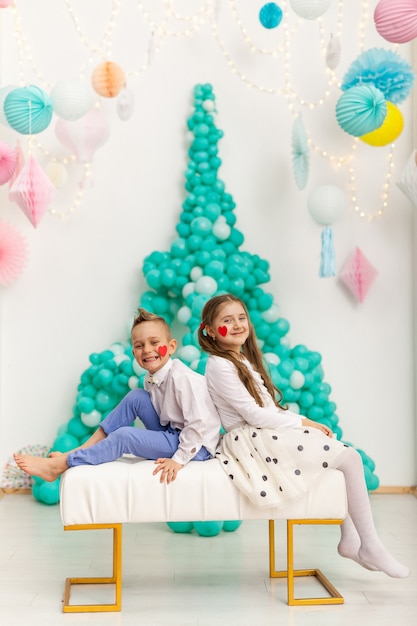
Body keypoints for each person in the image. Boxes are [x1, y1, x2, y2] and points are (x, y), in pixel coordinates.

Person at [198, 293, 409, 579]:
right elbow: (254, 415)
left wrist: (302, 423)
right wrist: (303, 422)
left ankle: (351, 536)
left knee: (339, 457)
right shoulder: (219, 365)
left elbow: (267, 409)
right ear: (209, 330)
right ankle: (368, 544)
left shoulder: (242, 359)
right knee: (348, 457)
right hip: (250, 440)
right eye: (226, 320)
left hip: (262, 432)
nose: (237, 325)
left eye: (241, 318)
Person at [14, 308, 221, 485]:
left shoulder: (182, 378)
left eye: (154, 342)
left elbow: (198, 424)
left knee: (125, 436)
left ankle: (63, 463)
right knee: (136, 397)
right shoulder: (151, 379)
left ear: (172, 346)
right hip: (172, 432)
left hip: (196, 445)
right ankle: (77, 450)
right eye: (139, 345)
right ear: (133, 352)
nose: (147, 350)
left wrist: (179, 459)